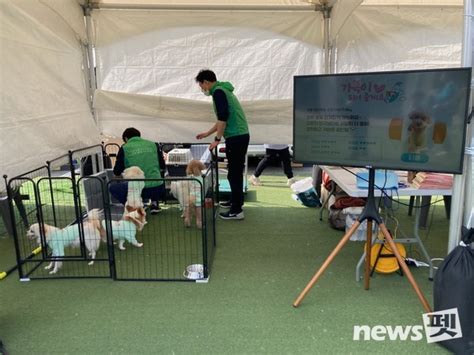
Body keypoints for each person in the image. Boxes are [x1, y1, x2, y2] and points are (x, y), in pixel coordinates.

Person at [195, 69, 249, 220]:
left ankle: (236, 210)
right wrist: (208, 133)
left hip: (236, 136)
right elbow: (221, 119)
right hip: (239, 135)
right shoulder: (223, 89)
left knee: (234, 173)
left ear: (206, 82)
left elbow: (223, 118)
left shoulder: (218, 92)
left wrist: (217, 139)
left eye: (201, 86)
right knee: (234, 172)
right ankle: (236, 201)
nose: (202, 89)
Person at [110, 127, 166, 214]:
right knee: (153, 177)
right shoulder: (153, 144)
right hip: (158, 187)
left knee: (113, 188)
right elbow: (162, 165)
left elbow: (117, 171)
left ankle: (135, 206)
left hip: (139, 189)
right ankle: (154, 203)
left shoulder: (125, 148)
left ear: (126, 138)